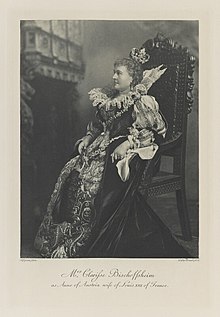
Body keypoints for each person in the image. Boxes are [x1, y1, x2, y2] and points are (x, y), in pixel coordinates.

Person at [34, 47, 190, 258]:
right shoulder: (107, 101)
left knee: (91, 182)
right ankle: (61, 236)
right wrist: (88, 138)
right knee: (71, 171)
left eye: (119, 73)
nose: (113, 76)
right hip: (100, 149)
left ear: (133, 78)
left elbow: (151, 132)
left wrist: (127, 143)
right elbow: (98, 126)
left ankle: (83, 238)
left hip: (127, 156)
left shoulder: (140, 102)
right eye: (114, 72)